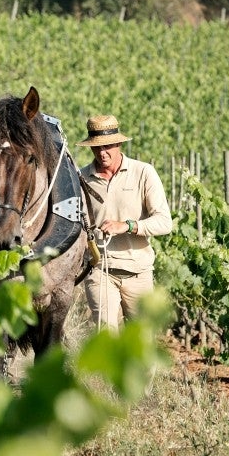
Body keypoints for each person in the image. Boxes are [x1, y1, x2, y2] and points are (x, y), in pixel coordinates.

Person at [76, 114, 172, 330]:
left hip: (138, 272)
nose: (102, 152)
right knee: (105, 337)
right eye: (96, 147)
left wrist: (128, 226)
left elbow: (165, 222)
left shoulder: (143, 173)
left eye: (108, 146)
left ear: (118, 142)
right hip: (100, 271)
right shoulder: (81, 178)